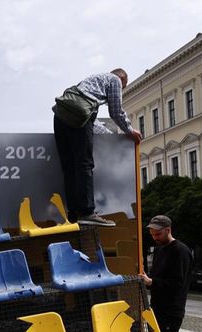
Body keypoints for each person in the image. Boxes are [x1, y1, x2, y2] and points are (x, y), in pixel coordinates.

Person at [53, 69, 143, 227]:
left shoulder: (91, 82)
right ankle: (87, 212)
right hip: (78, 116)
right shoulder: (114, 80)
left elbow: (91, 121)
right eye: (123, 88)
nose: (120, 92)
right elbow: (116, 111)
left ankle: (74, 213)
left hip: (61, 115)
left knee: (69, 167)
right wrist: (129, 130)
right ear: (123, 80)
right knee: (84, 164)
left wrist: (110, 134)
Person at [138, 215, 193, 332]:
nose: (155, 237)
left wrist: (152, 282)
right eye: (152, 234)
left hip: (172, 310)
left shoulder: (181, 251)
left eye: (158, 234)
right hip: (158, 308)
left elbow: (178, 283)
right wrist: (148, 281)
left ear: (168, 230)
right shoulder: (160, 250)